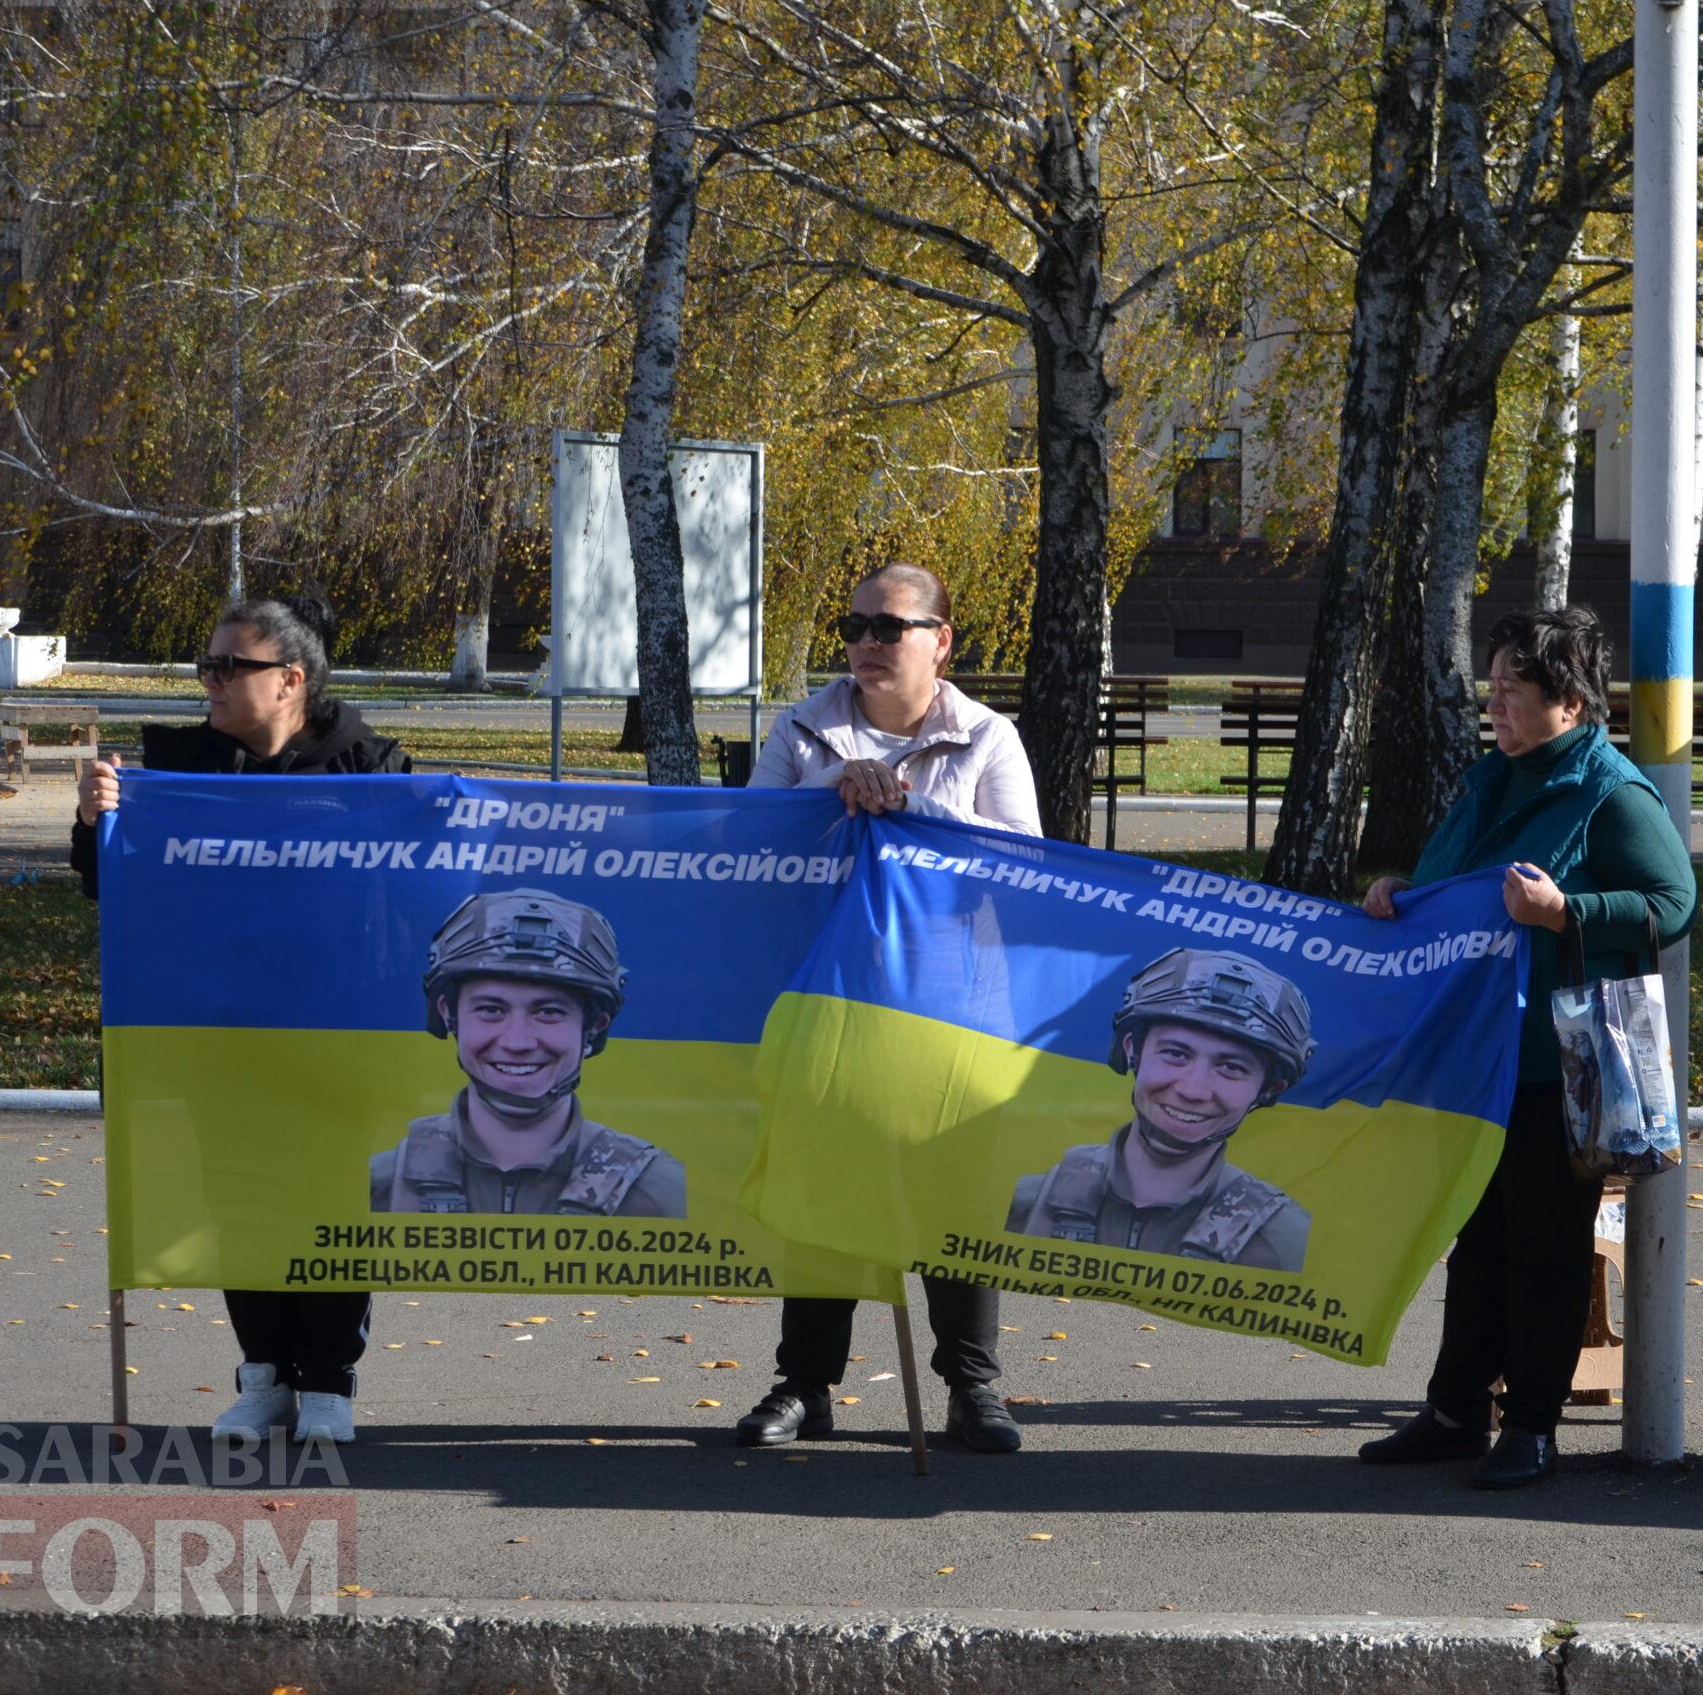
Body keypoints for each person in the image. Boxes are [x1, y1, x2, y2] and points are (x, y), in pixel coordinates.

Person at [1355, 607, 1697, 1490]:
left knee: (1546, 1248)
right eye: (1492, 685)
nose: (1495, 703)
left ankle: (1534, 1425)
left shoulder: (1610, 792)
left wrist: (1567, 913)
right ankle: (1455, 1412)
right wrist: (1396, 892)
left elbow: (1674, 902)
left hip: (1557, 1065)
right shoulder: (1487, 779)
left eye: (1515, 688)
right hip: (1475, 1058)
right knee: (1475, 1244)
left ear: (1572, 704)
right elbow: (1448, 889)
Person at [72, 590, 412, 1445]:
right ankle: (264, 1376)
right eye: (207, 665)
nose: (211, 682)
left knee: (332, 1197)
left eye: (231, 666)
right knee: (240, 1199)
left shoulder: (371, 766)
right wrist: (94, 822)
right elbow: (107, 884)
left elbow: (428, 881)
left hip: (338, 1030)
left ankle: (329, 1379)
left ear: (290, 680)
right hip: (214, 1029)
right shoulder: (177, 770)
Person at [737, 560, 1041, 1454]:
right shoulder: (802, 729)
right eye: (855, 625)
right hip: (831, 1002)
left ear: (940, 641)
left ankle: (973, 1388)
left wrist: (916, 823)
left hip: (953, 1006)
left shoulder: (987, 737)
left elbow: (1024, 871)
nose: (867, 643)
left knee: (957, 1194)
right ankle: (805, 1385)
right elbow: (753, 854)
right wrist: (829, 799)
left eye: (889, 628)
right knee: (826, 1188)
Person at [371, 890, 686, 1216]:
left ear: (593, 1025)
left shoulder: (660, 1195)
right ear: (449, 1015)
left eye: (548, 1012)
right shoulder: (381, 1185)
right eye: (491, 1009)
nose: (517, 1042)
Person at [1007, 948, 1315, 1274]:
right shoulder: (1028, 1202)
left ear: (1269, 1089)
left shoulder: (1287, 1241)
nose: (1192, 1090)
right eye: (1175, 1054)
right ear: (1132, 1051)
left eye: (1231, 1067)